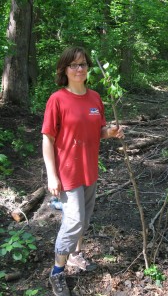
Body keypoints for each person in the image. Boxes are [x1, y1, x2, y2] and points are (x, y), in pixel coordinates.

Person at [41, 46, 124, 296]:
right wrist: (52, 175)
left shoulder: (95, 98)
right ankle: (56, 272)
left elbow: (97, 131)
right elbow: (47, 138)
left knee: (84, 219)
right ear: (64, 70)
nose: (80, 69)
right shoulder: (58, 99)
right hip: (67, 171)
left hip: (89, 169)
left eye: (83, 64)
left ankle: (76, 255)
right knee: (74, 220)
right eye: (74, 65)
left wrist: (109, 133)